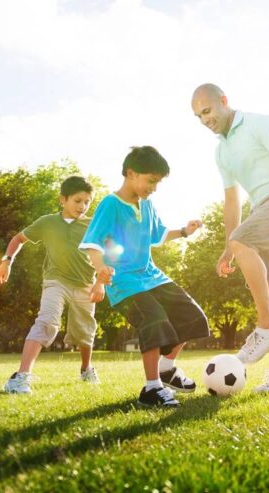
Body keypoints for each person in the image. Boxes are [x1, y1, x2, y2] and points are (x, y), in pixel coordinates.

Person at [191, 83, 269, 393]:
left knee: (243, 243)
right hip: (263, 209)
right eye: (199, 117)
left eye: (207, 111)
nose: (205, 120)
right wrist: (228, 247)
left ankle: (266, 327)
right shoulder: (222, 151)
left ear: (224, 101)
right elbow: (232, 202)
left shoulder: (260, 123)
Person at [79, 146, 210, 408]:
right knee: (154, 319)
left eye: (158, 182)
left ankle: (167, 369)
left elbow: (157, 235)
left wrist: (184, 231)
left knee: (192, 315)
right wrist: (100, 266)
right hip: (124, 282)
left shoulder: (147, 204)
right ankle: (152, 388)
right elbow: (93, 242)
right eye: (151, 180)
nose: (154, 187)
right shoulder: (110, 204)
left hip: (152, 276)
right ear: (131, 173)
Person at [0, 176, 102, 394]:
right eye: (77, 201)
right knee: (47, 321)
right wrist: (7, 261)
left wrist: (100, 282)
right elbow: (18, 239)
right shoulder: (47, 222)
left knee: (84, 331)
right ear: (63, 199)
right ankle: (21, 377)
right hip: (56, 281)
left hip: (85, 285)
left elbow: (103, 255)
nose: (82, 206)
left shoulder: (93, 225)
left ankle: (86, 369)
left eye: (87, 202)